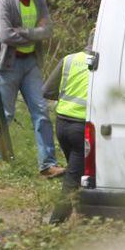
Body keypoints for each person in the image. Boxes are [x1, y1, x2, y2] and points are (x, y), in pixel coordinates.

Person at [0, 0, 64, 178]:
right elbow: (4, 34)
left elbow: (48, 30)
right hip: (7, 64)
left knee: (42, 112)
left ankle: (47, 165)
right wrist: (33, 34)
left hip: (31, 64)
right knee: (5, 114)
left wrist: (24, 32)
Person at [44, 33, 93, 224]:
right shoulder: (104, 65)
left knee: (79, 172)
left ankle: (84, 214)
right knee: (73, 178)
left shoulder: (70, 59)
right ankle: (55, 223)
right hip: (82, 128)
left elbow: (47, 91)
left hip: (62, 124)